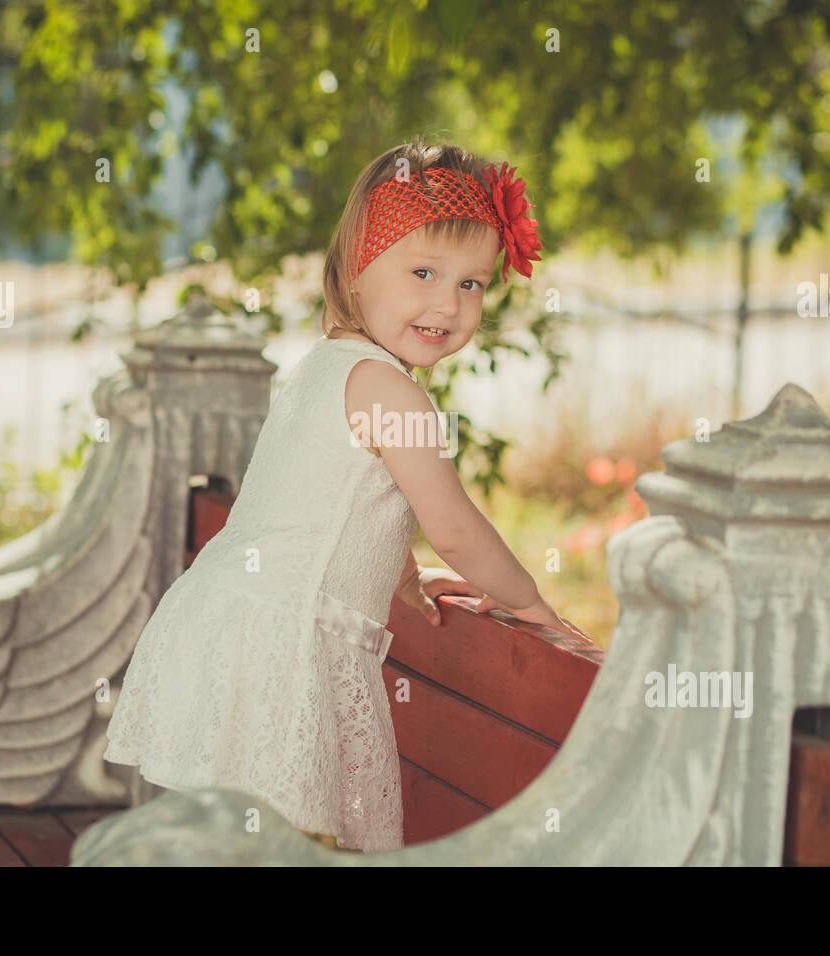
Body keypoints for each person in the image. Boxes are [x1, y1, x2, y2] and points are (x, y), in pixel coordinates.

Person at [103, 138, 588, 854]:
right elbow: (454, 527)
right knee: (300, 845)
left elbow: (333, 500)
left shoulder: (325, 366)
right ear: (358, 268)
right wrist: (529, 601)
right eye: (423, 272)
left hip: (231, 622)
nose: (448, 303)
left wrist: (404, 576)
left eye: (472, 284)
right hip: (287, 644)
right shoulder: (393, 392)